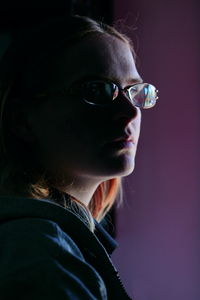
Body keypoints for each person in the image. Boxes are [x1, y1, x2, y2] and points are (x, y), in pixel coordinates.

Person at [0, 15, 158, 300]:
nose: (132, 111)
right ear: (21, 120)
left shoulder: (60, 241)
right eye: (96, 90)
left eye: (135, 91)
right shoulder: (36, 253)